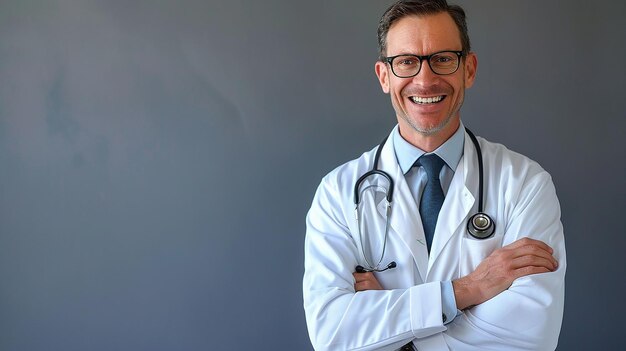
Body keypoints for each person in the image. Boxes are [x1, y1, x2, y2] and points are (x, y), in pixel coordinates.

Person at [302, 1, 566, 350]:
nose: (425, 80)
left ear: (468, 69)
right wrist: (467, 290)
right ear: (384, 76)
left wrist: (395, 325)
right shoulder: (337, 193)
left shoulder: (525, 185)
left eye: (443, 58)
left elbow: (529, 338)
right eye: (406, 62)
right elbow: (332, 335)